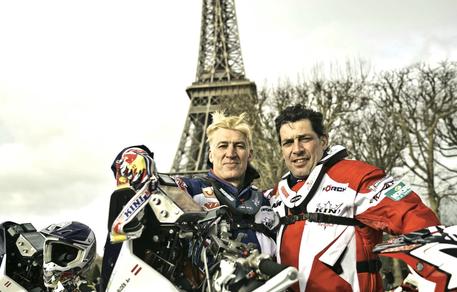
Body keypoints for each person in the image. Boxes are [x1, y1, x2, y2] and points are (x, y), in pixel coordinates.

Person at [266, 104, 441, 292]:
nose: (297, 149)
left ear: (323, 141)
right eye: (288, 142)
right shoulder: (273, 195)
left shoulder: (358, 177)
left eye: (305, 139)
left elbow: (419, 221)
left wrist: (417, 284)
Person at [100, 111, 276, 290]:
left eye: (239, 146)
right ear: (210, 155)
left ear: (250, 154)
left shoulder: (269, 201)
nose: (231, 153)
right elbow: (152, 185)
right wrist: (136, 156)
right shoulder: (189, 190)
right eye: (223, 146)